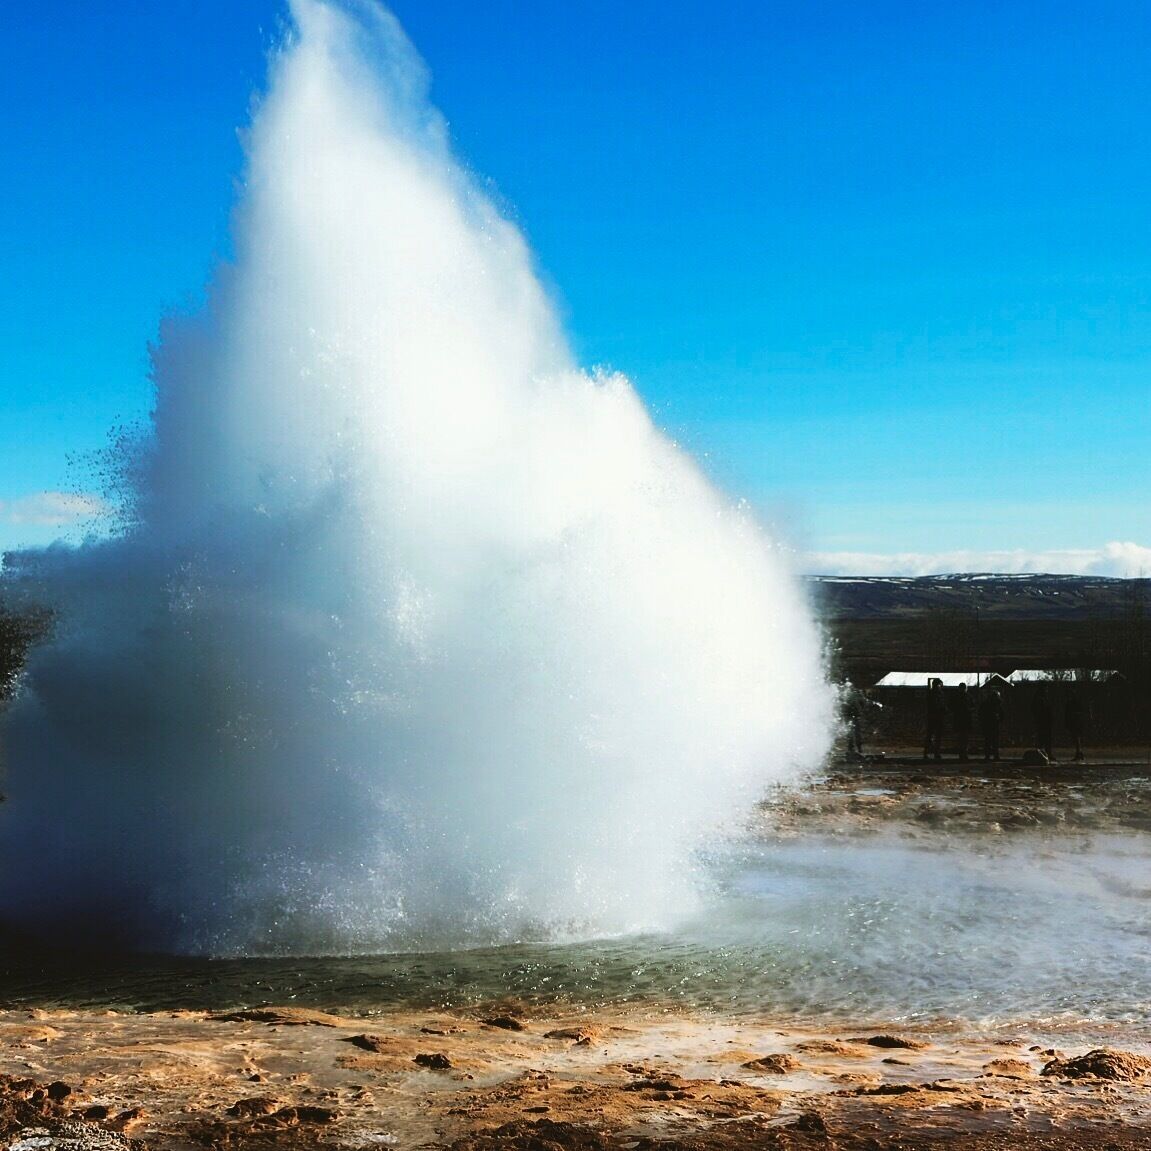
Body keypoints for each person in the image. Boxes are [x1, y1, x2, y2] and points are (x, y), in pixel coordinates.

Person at [978, 685, 1004, 762]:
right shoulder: (998, 704)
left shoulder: (986, 704)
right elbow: (1002, 714)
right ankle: (995, 756)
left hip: (988, 724)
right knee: (995, 741)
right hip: (995, 724)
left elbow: (981, 713)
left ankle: (988, 756)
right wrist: (1000, 720)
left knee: (988, 741)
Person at [951, 681, 974, 762]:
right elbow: (973, 706)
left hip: (959, 720)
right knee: (965, 738)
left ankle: (961, 754)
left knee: (961, 738)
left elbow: (952, 707)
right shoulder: (968, 697)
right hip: (966, 719)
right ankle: (964, 754)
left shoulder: (956, 697)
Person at [923, 678, 945, 762]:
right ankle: (933, 752)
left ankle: (929, 752)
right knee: (934, 735)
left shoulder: (932, 693)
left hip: (933, 716)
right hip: (935, 716)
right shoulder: (936, 694)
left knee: (932, 735)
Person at [1032, 684, 1054, 761]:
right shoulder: (1040, 699)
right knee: (1043, 739)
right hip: (1042, 721)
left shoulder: (1043, 698)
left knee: (1045, 739)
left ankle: (1047, 753)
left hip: (1045, 721)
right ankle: (1043, 754)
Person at [1064, 689, 1085, 762]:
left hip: (1075, 722)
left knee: (1076, 738)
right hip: (1076, 722)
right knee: (1077, 738)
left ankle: (1079, 753)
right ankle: (1079, 752)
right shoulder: (1075, 703)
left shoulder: (1072, 703)